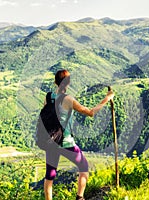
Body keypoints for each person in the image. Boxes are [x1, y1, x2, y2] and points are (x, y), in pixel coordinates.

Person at [44, 69, 114, 200]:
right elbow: (90, 112)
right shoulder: (68, 99)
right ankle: (79, 197)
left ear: (55, 82)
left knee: (50, 176)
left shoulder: (48, 97)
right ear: (68, 83)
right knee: (84, 167)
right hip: (65, 142)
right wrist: (107, 98)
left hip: (51, 142)